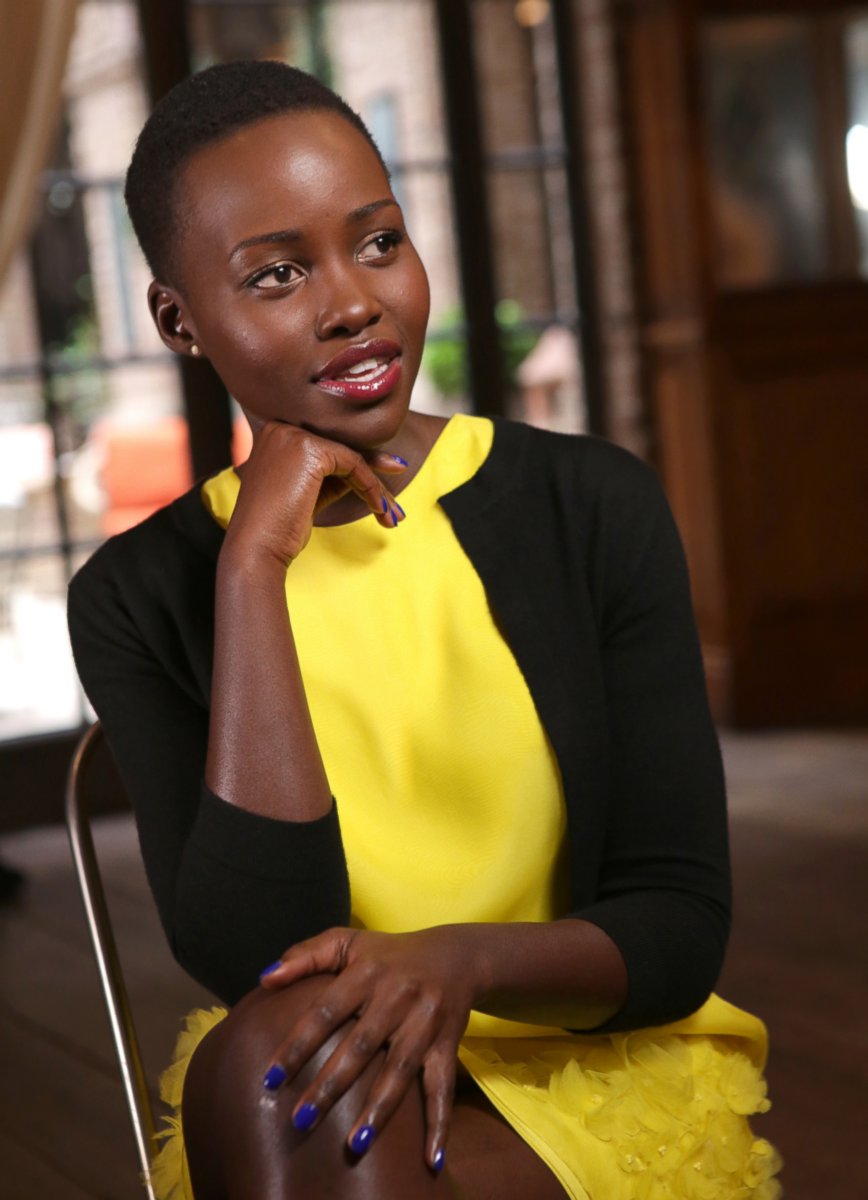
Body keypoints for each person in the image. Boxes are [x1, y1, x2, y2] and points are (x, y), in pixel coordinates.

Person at [68, 60, 781, 1200]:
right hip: (330, 1089)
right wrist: (252, 571)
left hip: (592, 1070)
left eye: (379, 241)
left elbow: (676, 925)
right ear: (179, 320)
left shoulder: (589, 506)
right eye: (278, 273)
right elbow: (261, 955)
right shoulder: (138, 593)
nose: (352, 300)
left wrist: (456, 962)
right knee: (276, 1060)